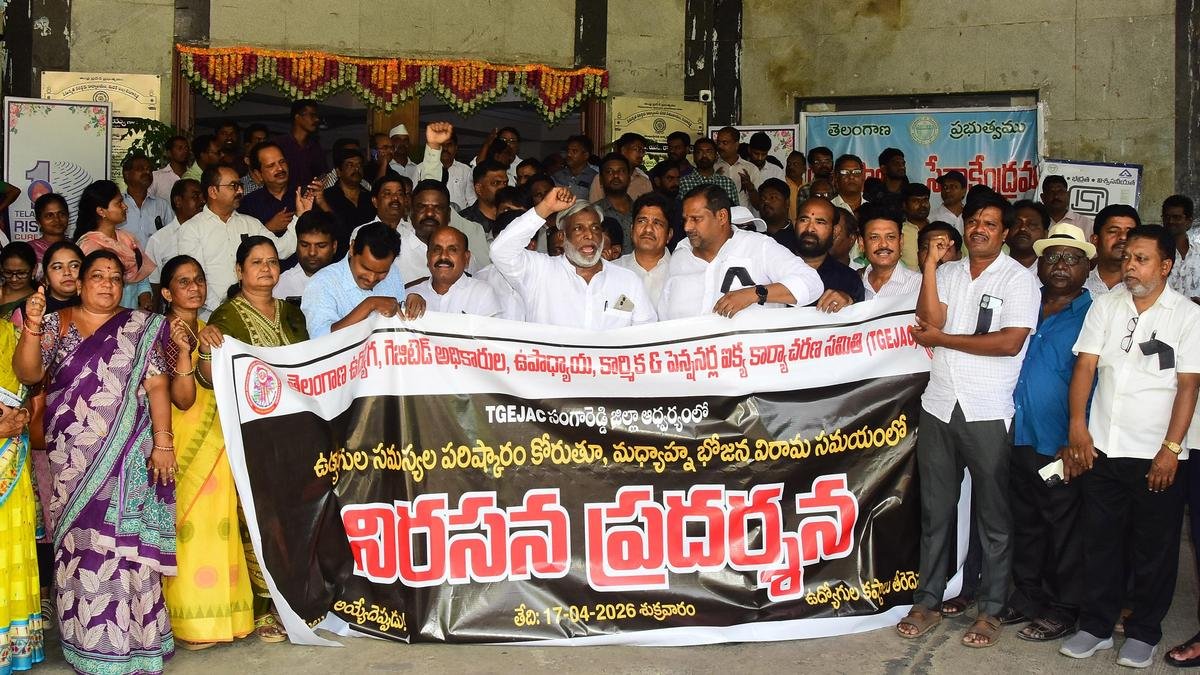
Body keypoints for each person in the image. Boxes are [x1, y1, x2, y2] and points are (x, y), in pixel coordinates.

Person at [14, 250, 193, 675]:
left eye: (115, 278)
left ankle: (138, 644)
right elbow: (28, 373)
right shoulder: (57, 323)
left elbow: (157, 386)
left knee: (126, 547)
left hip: (130, 456)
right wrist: (33, 326)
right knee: (82, 547)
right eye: (97, 276)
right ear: (79, 283)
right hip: (72, 458)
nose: (108, 284)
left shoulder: (141, 326)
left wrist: (163, 442)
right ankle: (88, 645)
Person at [897, 194, 1040, 647]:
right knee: (935, 511)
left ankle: (991, 610)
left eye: (990, 223)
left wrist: (943, 339)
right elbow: (928, 320)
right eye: (974, 221)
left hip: (987, 410)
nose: (979, 228)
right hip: (940, 405)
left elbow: (1008, 343)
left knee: (992, 517)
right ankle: (927, 601)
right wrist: (930, 267)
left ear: (1005, 233)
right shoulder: (949, 273)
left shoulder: (1019, 280)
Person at [1060, 226, 1200, 667]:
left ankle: (1144, 632)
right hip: (1103, 446)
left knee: (1154, 547)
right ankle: (1096, 626)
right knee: (1100, 541)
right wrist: (1078, 427)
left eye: (1141, 259)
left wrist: (1171, 449)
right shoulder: (1106, 305)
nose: (1130, 266)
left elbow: (1188, 386)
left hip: (1156, 452)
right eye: (1126, 258)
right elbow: (1086, 367)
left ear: (1166, 266)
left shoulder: (1186, 315)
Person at [193, 237, 306, 643]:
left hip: (294, 431)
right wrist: (206, 349)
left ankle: (294, 600)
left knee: (294, 516)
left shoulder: (292, 314)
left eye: (272, 262)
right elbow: (208, 380)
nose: (266, 269)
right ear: (239, 270)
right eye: (256, 262)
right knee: (260, 518)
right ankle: (264, 607)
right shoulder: (224, 317)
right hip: (250, 433)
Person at [155, 254, 255, 650]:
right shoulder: (160, 333)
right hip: (181, 441)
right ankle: (191, 623)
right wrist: (188, 351)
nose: (194, 287)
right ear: (166, 293)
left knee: (220, 523)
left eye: (198, 279)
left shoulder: (210, 329)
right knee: (188, 526)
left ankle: (226, 616)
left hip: (218, 437)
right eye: (183, 282)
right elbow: (181, 399)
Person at [1002, 223, 1094, 644]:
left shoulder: (1095, 315)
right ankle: (1028, 597)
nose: (1060, 265)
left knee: (1064, 528)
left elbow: (1099, 383)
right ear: (1039, 264)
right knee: (1025, 521)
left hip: (1061, 443)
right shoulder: (1024, 303)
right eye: (1053, 257)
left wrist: (1078, 439)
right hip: (1018, 435)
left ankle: (1065, 607)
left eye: (1072, 258)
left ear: (1087, 267)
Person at [490, 187, 656, 328]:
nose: (589, 235)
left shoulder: (628, 281)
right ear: (562, 237)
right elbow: (501, 251)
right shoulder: (540, 272)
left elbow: (646, 335)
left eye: (595, 228)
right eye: (578, 228)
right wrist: (545, 207)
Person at [660, 185, 823, 319]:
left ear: (722, 216)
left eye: (696, 219)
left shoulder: (759, 246)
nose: (687, 227)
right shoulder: (680, 255)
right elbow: (664, 315)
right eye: (685, 219)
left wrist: (755, 293)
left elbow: (811, 283)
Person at [176, 165, 308, 318]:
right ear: (213, 191)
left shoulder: (250, 224)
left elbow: (281, 250)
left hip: (252, 313)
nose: (240, 191)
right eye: (233, 186)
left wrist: (300, 215)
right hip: (210, 316)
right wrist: (224, 308)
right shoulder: (191, 230)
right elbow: (194, 277)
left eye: (240, 185)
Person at [302, 222, 425, 337]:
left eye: (382, 272)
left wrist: (410, 305)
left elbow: (400, 322)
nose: (371, 278)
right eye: (365, 268)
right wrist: (369, 305)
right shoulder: (321, 284)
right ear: (352, 248)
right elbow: (321, 340)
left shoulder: (393, 272)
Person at [73, 179, 155, 311]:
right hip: (101, 315)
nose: (125, 206)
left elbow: (141, 276)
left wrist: (145, 297)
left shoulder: (128, 239)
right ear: (101, 211)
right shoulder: (89, 246)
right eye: (119, 203)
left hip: (130, 315)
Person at [405, 226, 501, 317]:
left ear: (466, 258)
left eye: (452, 250)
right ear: (428, 257)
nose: (443, 256)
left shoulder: (482, 294)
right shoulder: (410, 294)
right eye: (437, 250)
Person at [794, 198, 865, 307]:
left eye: (820, 222)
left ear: (835, 231)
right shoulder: (773, 268)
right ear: (795, 224)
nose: (810, 228)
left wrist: (850, 303)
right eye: (804, 220)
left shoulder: (849, 279)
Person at [474, 210, 536, 321]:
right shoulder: (482, 278)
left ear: (531, 245)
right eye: (501, 244)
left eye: (510, 245)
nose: (504, 250)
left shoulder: (545, 277)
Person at [146, 178, 204, 296]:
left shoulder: (210, 232)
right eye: (195, 196)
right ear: (178, 201)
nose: (202, 201)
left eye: (203, 196)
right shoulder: (159, 240)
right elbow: (154, 283)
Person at [613, 193, 673, 307]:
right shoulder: (612, 270)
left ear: (669, 235)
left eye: (657, 223)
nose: (648, 229)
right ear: (631, 229)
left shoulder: (680, 273)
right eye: (642, 221)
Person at [859, 204, 920, 299]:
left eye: (890, 237)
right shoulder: (851, 283)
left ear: (901, 241)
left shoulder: (919, 285)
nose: (883, 244)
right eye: (874, 237)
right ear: (861, 243)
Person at [275, 210, 338, 301]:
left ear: (334, 246)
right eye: (305, 245)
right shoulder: (279, 286)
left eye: (321, 246)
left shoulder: (348, 282)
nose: (312, 252)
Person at [1085, 204, 1140, 297]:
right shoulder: (1079, 285)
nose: (1123, 237)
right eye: (1113, 231)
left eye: (1130, 232)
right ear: (1095, 240)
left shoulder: (1146, 288)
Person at [320, 148, 376, 237]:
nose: (356, 169)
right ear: (338, 172)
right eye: (350, 165)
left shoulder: (370, 197)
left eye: (359, 165)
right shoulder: (326, 198)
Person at [121, 153, 172, 248]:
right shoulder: (118, 205)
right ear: (127, 174)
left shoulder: (162, 205)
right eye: (140, 169)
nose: (147, 172)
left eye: (149, 169)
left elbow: (172, 237)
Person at [274, 99, 327, 190]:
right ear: (297, 117)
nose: (317, 119)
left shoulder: (315, 147)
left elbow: (323, 175)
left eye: (316, 116)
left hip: (307, 197)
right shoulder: (279, 144)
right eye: (312, 115)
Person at [587, 133, 653, 202]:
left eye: (643, 151)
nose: (642, 154)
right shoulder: (603, 178)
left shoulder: (644, 181)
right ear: (623, 150)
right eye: (637, 149)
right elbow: (595, 206)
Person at [677, 138, 740, 207]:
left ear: (716, 156)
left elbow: (735, 211)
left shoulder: (728, 183)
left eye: (708, 152)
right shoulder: (683, 183)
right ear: (694, 156)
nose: (704, 155)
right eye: (699, 152)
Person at [594, 153, 635, 253]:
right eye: (609, 171)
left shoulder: (640, 210)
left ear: (629, 178)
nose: (616, 175)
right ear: (601, 179)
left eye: (621, 171)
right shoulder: (593, 212)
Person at [458, 160, 509, 235]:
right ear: (478, 189)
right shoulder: (463, 222)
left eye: (505, 183)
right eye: (495, 183)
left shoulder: (514, 217)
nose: (503, 187)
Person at [714, 126, 759, 210]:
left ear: (736, 145)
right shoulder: (713, 167)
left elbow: (758, 205)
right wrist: (713, 179)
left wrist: (750, 187)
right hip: (718, 216)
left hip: (743, 217)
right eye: (718, 142)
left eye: (724, 143)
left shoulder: (751, 169)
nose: (720, 146)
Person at [28, 193, 70, 271]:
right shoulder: (30, 250)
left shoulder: (77, 245)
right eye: (49, 216)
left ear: (68, 216)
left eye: (61, 214)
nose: (57, 220)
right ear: (38, 221)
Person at [1007, 200, 1050, 273]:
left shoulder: (1050, 271)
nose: (1023, 228)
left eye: (1032, 224)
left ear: (1045, 234)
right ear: (1005, 231)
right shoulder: (992, 265)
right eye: (1016, 223)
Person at [757, 178, 799, 252]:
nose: (766, 201)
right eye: (763, 198)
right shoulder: (753, 235)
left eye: (772, 197)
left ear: (787, 203)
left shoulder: (798, 238)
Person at [553, 135, 598, 201]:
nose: (569, 154)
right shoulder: (557, 176)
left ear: (586, 155)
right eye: (568, 151)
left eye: (574, 151)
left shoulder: (594, 178)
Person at [0, 242, 37, 321]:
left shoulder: (38, 301)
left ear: (34, 270)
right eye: (8, 272)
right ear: (1, 268)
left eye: (21, 273)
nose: (14, 279)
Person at [149, 135, 191, 202]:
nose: (185, 151)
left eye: (186, 148)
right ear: (169, 153)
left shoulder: (193, 175)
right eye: (180, 148)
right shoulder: (156, 177)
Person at [900, 183, 931, 269]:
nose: (922, 205)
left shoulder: (937, 229)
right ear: (904, 205)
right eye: (915, 201)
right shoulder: (898, 232)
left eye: (925, 200)